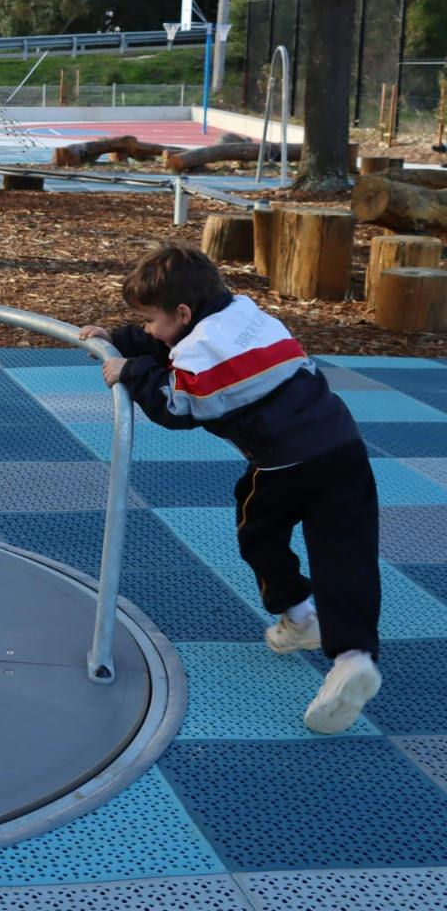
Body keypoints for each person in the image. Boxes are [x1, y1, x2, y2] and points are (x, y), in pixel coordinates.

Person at [80, 243, 382, 734]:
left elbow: (176, 403)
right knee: (346, 555)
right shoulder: (243, 313)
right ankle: (353, 657)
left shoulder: (201, 352)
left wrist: (129, 369)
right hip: (344, 447)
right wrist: (122, 338)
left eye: (152, 320)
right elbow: (176, 345)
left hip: (286, 462)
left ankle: (301, 616)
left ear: (182, 312)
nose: (151, 330)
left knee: (258, 534)